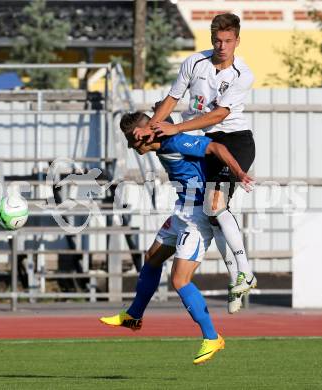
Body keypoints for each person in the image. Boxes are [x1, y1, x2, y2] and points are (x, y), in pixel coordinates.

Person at [100, 112, 253, 365]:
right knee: (152, 257)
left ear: (146, 133)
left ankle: (212, 337)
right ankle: (134, 315)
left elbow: (215, 147)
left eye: (132, 139)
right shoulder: (162, 141)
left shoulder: (175, 141)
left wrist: (239, 172)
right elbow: (166, 109)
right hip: (182, 210)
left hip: (197, 217)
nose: (131, 145)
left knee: (180, 280)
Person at [134, 13, 256, 296]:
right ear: (211, 39)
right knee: (211, 213)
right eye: (217, 40)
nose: (222, 45)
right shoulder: (194, 62)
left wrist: (175, 128)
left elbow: (218, 115)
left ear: (237, 41)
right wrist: (152, 128)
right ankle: (238, 279)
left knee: (214, 205)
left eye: (228, 40)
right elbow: (172, 99)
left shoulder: (242, 75)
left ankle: (245, 273)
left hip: (233, 141)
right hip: (202, 139)